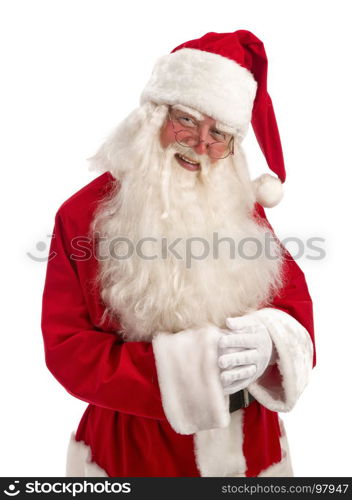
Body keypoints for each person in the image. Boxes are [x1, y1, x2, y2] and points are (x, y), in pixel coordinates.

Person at [41, 30, 315, 477]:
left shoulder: (241, 207)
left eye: (220, 133)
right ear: (153, 116)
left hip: (251, 448)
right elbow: (68, 348)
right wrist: (188, 371)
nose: (201, 143)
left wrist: (272, 341)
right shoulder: (81, 217)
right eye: (187, 120)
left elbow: (291, 300)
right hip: (135, 450)